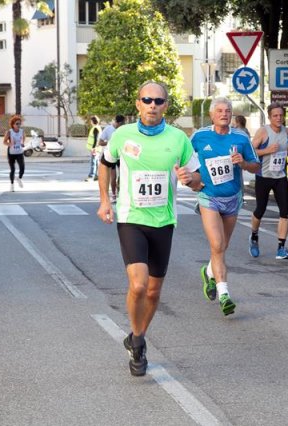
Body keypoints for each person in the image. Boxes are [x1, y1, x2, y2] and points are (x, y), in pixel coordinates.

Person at [97, 81, 201, 376]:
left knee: (154, 291)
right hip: (131, 218)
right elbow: (106, 164)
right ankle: (138, 338)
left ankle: (137, 336)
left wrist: (189, 179)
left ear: (166, 105)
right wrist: (105, 201)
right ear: (138, 103)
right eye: (147, 99)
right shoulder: (122, 135)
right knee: (139, 284)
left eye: (158, 100)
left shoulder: (178, 138)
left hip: (163, 221)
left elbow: (198, 180)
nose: (153, 105)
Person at [192, 97, 260, 316]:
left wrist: (243, 163)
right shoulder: (200, 136)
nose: (224, 114)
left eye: (228, 110)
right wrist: (193, 180)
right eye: (220, 110)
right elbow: (183, 158)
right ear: (212, 115)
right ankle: (224, 294)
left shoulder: (240, 137)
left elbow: (256, 166)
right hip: (208, 197)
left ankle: (209, 272)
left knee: (222, 247)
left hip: (232, 197)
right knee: (218, 244)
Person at [248, 102, 288, 260]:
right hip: (263, 176)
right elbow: (251, 151)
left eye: (281, 115)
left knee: (285, 212)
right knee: (260, 210)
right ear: (270, 117)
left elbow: (285, 148)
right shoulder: (263, 132)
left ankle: (281, 248)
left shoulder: (287, 131)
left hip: (280, 177)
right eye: (275, 115)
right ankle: (254, 237)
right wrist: (266, 150)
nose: (278, 118)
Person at [98, 114, 126, 202]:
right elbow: (100, 142)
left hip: (122, 155)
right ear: (119, 123)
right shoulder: (108, 129)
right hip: (112, 154)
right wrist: (110, 143)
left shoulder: (123, 130)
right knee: (113, 177)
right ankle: (114, 195)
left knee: (123, 177)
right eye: (123, 123)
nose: (124, 125)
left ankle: (120, 194)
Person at [3, 115, 25, 192]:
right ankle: (12, 185)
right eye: (17, 123)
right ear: (13, 124)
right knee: (13, 169)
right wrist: (10, 144)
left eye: (19, 123)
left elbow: (22, 140)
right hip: (11, 153)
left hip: (19, 152)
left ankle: (19, 178)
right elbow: (4, 142)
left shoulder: (22, 131)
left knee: (22, 168)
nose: (18, 125)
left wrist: (22, 144)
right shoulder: (9, 132)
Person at [85, 115, 101, 181]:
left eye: (91, 121)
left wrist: (93, 148)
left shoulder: (95, 128)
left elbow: (96, 139)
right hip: (97, 148)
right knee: (96, 162)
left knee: (93, 162)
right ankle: (96, 176)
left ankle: (91, 176)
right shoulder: (97, 127)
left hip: (95, 149)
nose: (90, 122)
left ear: (92, 121)